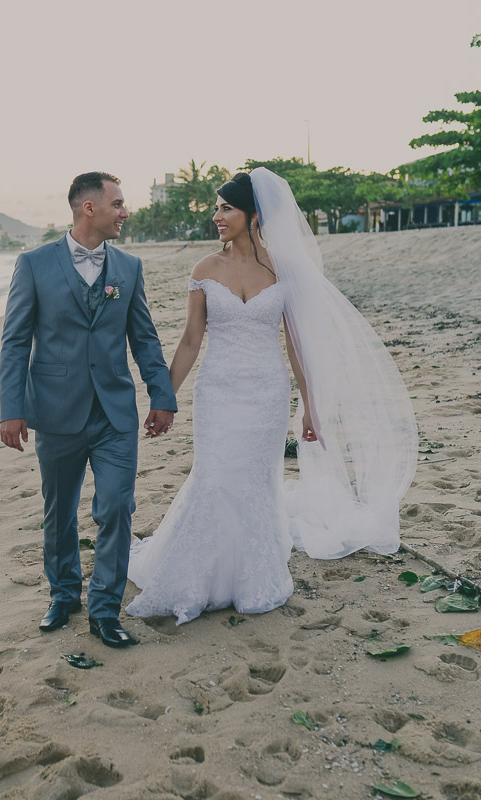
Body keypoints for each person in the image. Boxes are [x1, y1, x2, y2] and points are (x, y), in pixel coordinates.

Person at [126, 169, 418, 625]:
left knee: (256, 482)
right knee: (216, 477)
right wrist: (164, 398)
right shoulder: (204, 269)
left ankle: (250, 576)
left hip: (266, 392)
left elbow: (296, 345)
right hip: (217, 392)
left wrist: (310, 405)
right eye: (217, 208)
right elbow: (189, 342)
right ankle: (200, 574)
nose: (217, 216)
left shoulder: (284, 269)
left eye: (227, 208)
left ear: (254, 214)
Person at [0, 172, 177, 648]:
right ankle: (63, 593)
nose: (126, 211)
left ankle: (104, 608)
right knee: (58, 511)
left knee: (117, 506)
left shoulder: (129, 267)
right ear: (89, 208)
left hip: (114, 412)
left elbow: (144, 337)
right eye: (118, 203)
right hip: (56, 410)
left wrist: (162, 395)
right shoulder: (34, 264)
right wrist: (11, 409)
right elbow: (15, 341)